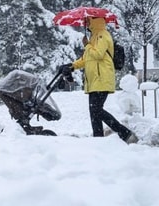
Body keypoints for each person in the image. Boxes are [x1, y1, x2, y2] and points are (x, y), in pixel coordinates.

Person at [59, 16, 139, 144]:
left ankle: (124, 133)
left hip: (102, 79)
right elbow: (86, 59)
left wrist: (87, 45)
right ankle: (98, 141)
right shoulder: (93, 37)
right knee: (94, 112)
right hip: (94, 81)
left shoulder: (103, 35)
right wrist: (71, 66)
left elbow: (98, 54)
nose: (86, 23)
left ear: (95, 21)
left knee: (96, 110)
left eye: (88, 20)